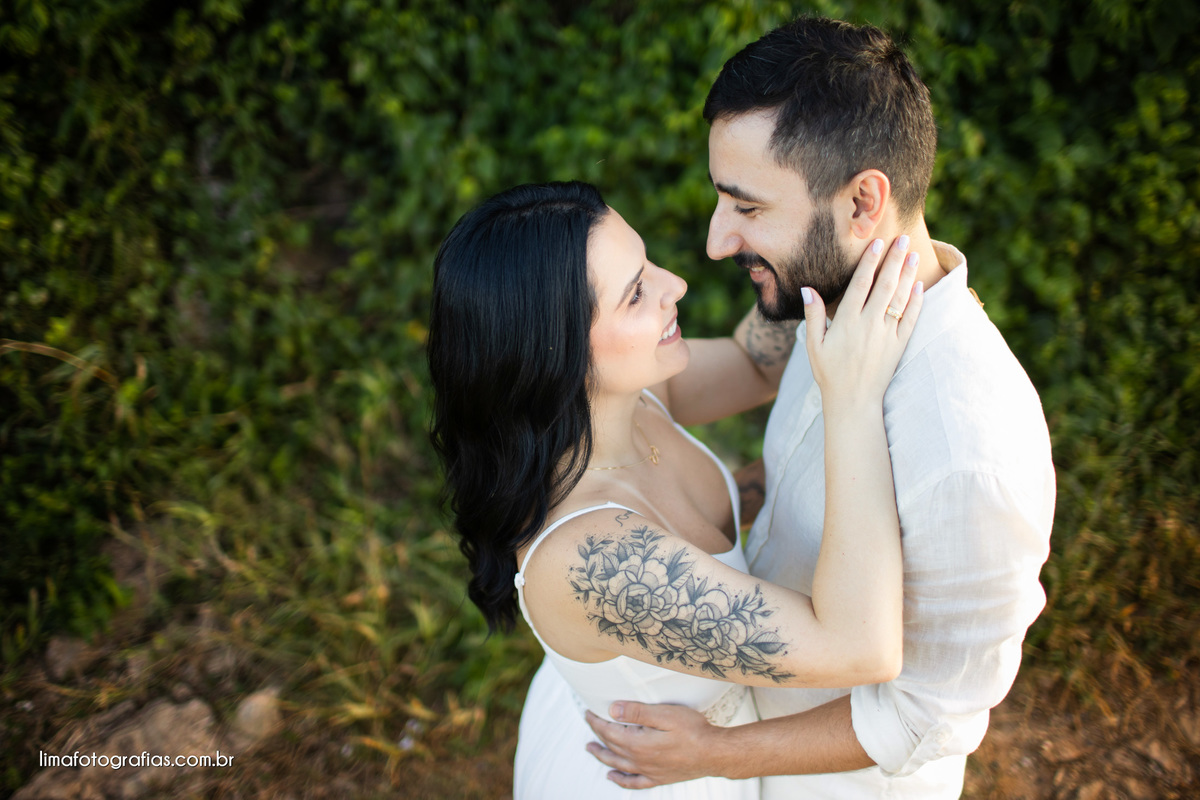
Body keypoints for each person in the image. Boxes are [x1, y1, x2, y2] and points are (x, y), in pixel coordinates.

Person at [583, 16, 1056, 799]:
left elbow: (927, 717)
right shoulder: (821, 302)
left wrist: (713, 753)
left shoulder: (972, 451)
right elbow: (752, 388)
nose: (714, 241)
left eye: (747, 206)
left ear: (864, 202)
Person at [427, 179, 925, 799]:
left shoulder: (636, 398)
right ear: (555, 355)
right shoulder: (593, 562)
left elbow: (754, 362)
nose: (676, 285)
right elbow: (860, 648)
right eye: (637, 293)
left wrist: (823, 243)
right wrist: (852, 398)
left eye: (648, 262)